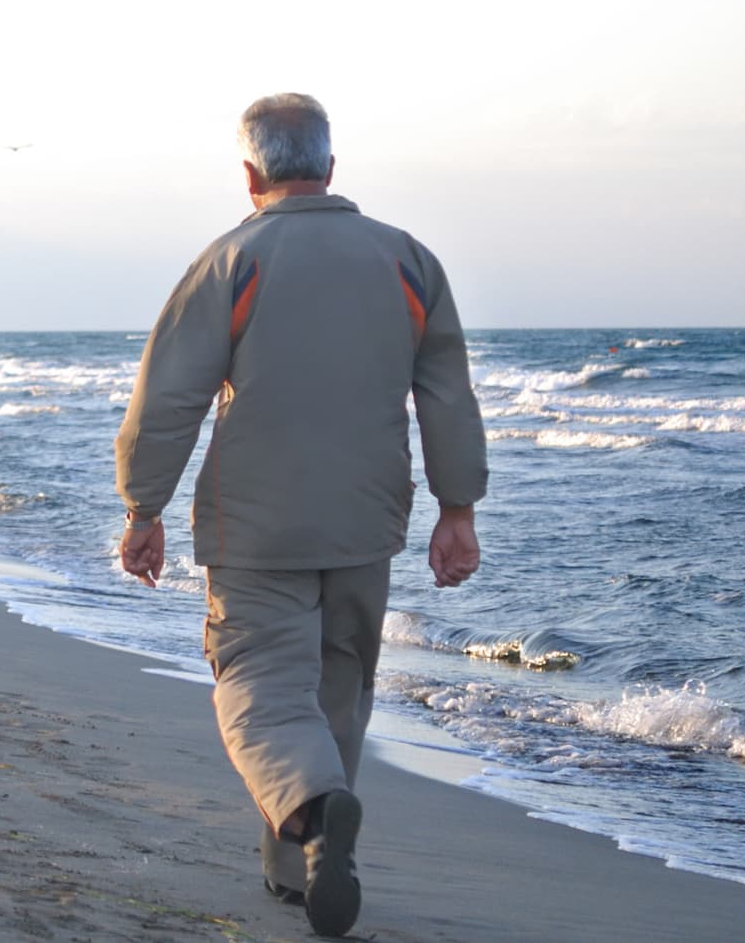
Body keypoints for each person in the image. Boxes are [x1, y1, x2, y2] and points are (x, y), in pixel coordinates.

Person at [113, 93, 486, 938]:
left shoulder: (232, 259)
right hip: (367, 517)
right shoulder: (408, 261)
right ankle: (298, 869)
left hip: (256, 523)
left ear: (250, 173)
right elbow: (447, 395)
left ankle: (316, 814)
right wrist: (456, 508)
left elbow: (168, 397)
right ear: (329, 165)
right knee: (340, 686)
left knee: (256, 680)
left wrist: (144, 507)